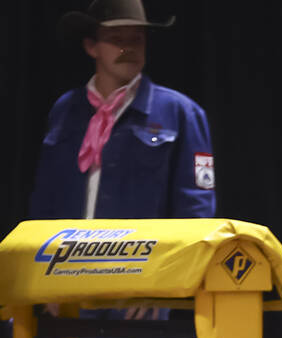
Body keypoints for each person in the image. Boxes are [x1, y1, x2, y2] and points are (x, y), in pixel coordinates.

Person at [30, 0, 216, 221]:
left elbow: (196, 207)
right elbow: (45, 196)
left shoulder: (181, 113)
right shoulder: (66, 109)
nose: (128, 49)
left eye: (136, 39)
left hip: (146, 254)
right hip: (70, 251)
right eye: (116, 39)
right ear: (91, 47)